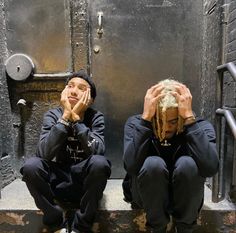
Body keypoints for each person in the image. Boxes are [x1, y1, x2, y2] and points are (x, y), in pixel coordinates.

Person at [122, 79, 219, 233]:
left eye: (173, 122)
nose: (166, 127)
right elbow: (131, 167)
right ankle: (157, 228)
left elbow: (210, 168)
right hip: (147, 196)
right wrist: (146, 119)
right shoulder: (137, 123)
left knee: (188, 164)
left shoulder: (199, 126)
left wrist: (189, 120)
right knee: (153, 164)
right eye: (159, 120)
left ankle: (184, 229)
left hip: (183, 198)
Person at [20, 70, 111, 233]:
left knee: (100, 163)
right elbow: (43, 154)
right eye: (70, 86)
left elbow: (97, 150)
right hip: (58, 181)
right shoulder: (53, 115)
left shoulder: (95, 117)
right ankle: (56, 223)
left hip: (84, 182)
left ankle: (81, 226)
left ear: (90, 100)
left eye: (82, 88)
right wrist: (65, 118)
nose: (74, 91)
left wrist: (76, 120)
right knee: (31, 166)